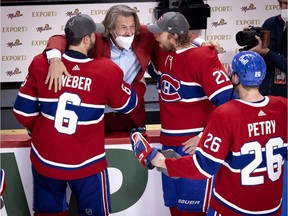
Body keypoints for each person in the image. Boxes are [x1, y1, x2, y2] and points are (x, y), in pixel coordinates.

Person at [13, 14, 145, 216]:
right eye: (94, 36)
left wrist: (39, 128)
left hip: (46, 160)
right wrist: (139, 86)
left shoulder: (41, 63)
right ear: (86, 39)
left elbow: (22, 113)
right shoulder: (106, 70)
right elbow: (129, 105)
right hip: (88, 165)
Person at [132, 51, 288, 216]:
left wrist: (160, 160)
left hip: (232, 208)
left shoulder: (226, 114)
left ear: (235, 77)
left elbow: (203, 167)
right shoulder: (282, 107)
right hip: (273, 208)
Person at [43, 5, 210, 132]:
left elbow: (177, 32)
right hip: (98, 115)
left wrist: (201, 42)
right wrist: (55, 59)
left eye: (132, 26)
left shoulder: (143, 34)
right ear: (110, 28)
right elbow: (62, 37)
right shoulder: (97, 38)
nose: (129, 32)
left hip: (132, 115)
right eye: (123, 28)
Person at [144, 11, 235, 216]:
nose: (156, 37)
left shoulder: (203, 57)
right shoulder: (163, 52)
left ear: (174, 36)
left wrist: (204, 137)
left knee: (192, 211)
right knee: (174, 208)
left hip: (194, 149)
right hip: (169, 146)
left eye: (160, 33)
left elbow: (228, 104)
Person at [251, 0, 287, 97]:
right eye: (286, 3)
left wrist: (267, 52)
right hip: (266, 90)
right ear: (280, 4)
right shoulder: (270, 23)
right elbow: (260, 53)